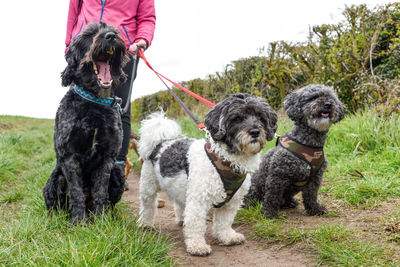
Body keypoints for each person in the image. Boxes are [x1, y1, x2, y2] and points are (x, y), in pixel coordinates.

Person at [64, 0, 156, 183]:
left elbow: (147, 17)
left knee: (119, 110)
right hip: (86, 47)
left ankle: (117, 170)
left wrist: (142, 39)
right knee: (78, 107)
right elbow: (73, 12)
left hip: (123, 50)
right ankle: (77, 168)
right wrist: (69, 43)